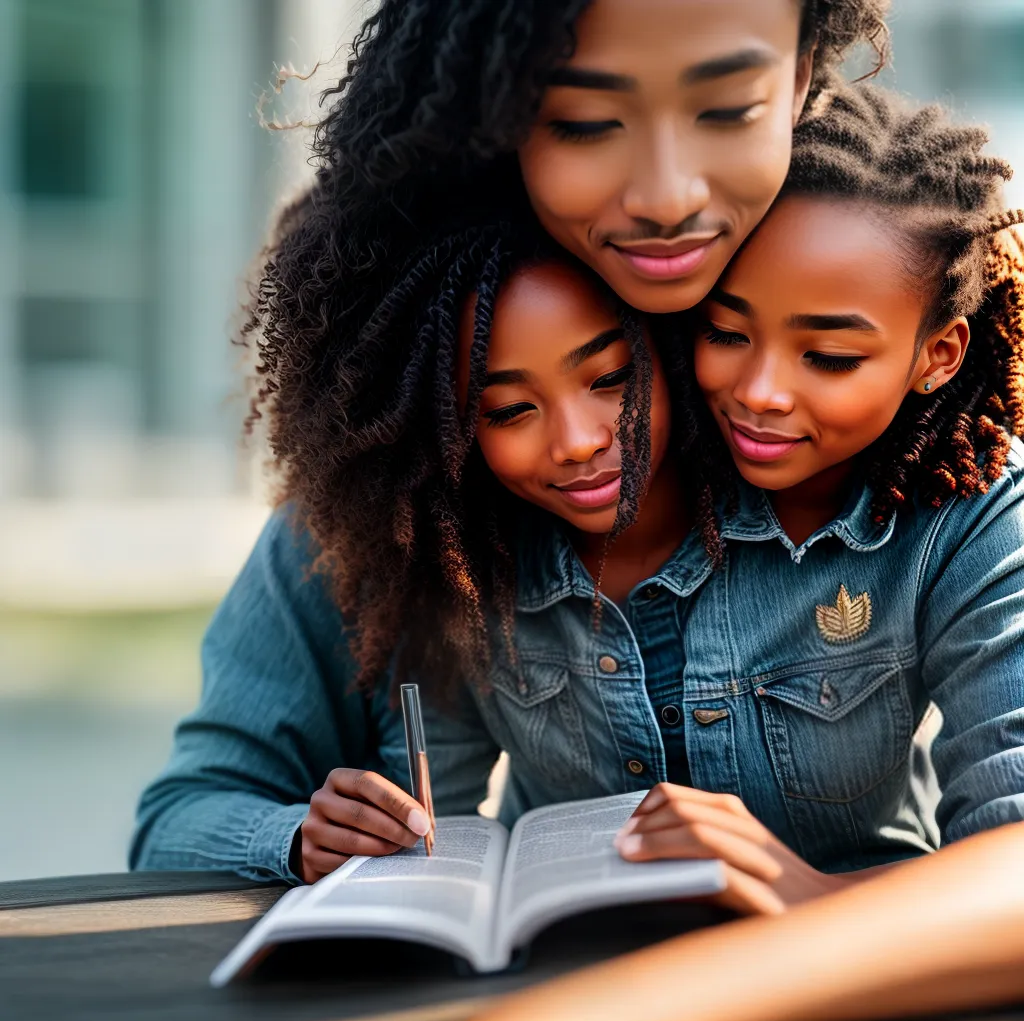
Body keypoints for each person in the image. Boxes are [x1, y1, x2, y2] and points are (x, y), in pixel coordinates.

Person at [132, 0, 891, 883]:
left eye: (725, 109)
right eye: (582, 121)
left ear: (799, 79)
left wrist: (810, 900)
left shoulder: (901, 459)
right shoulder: (397, 490)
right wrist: (300, 837)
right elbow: (184, 819)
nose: (666, 198)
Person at [608, 84, 1024, 911]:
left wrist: (802, 897)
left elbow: (1008, 856)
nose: (759, 393)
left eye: (829, 356)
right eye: (726, 333)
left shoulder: (974, 513)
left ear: (936, 356)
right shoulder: (595, 463)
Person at [469, 820, 1024, 1021]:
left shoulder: (923, 555)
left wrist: (828, 894)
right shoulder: (456, 581)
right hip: (559, 954)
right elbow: (441, 802)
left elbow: (1007, 853)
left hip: (886, 963)